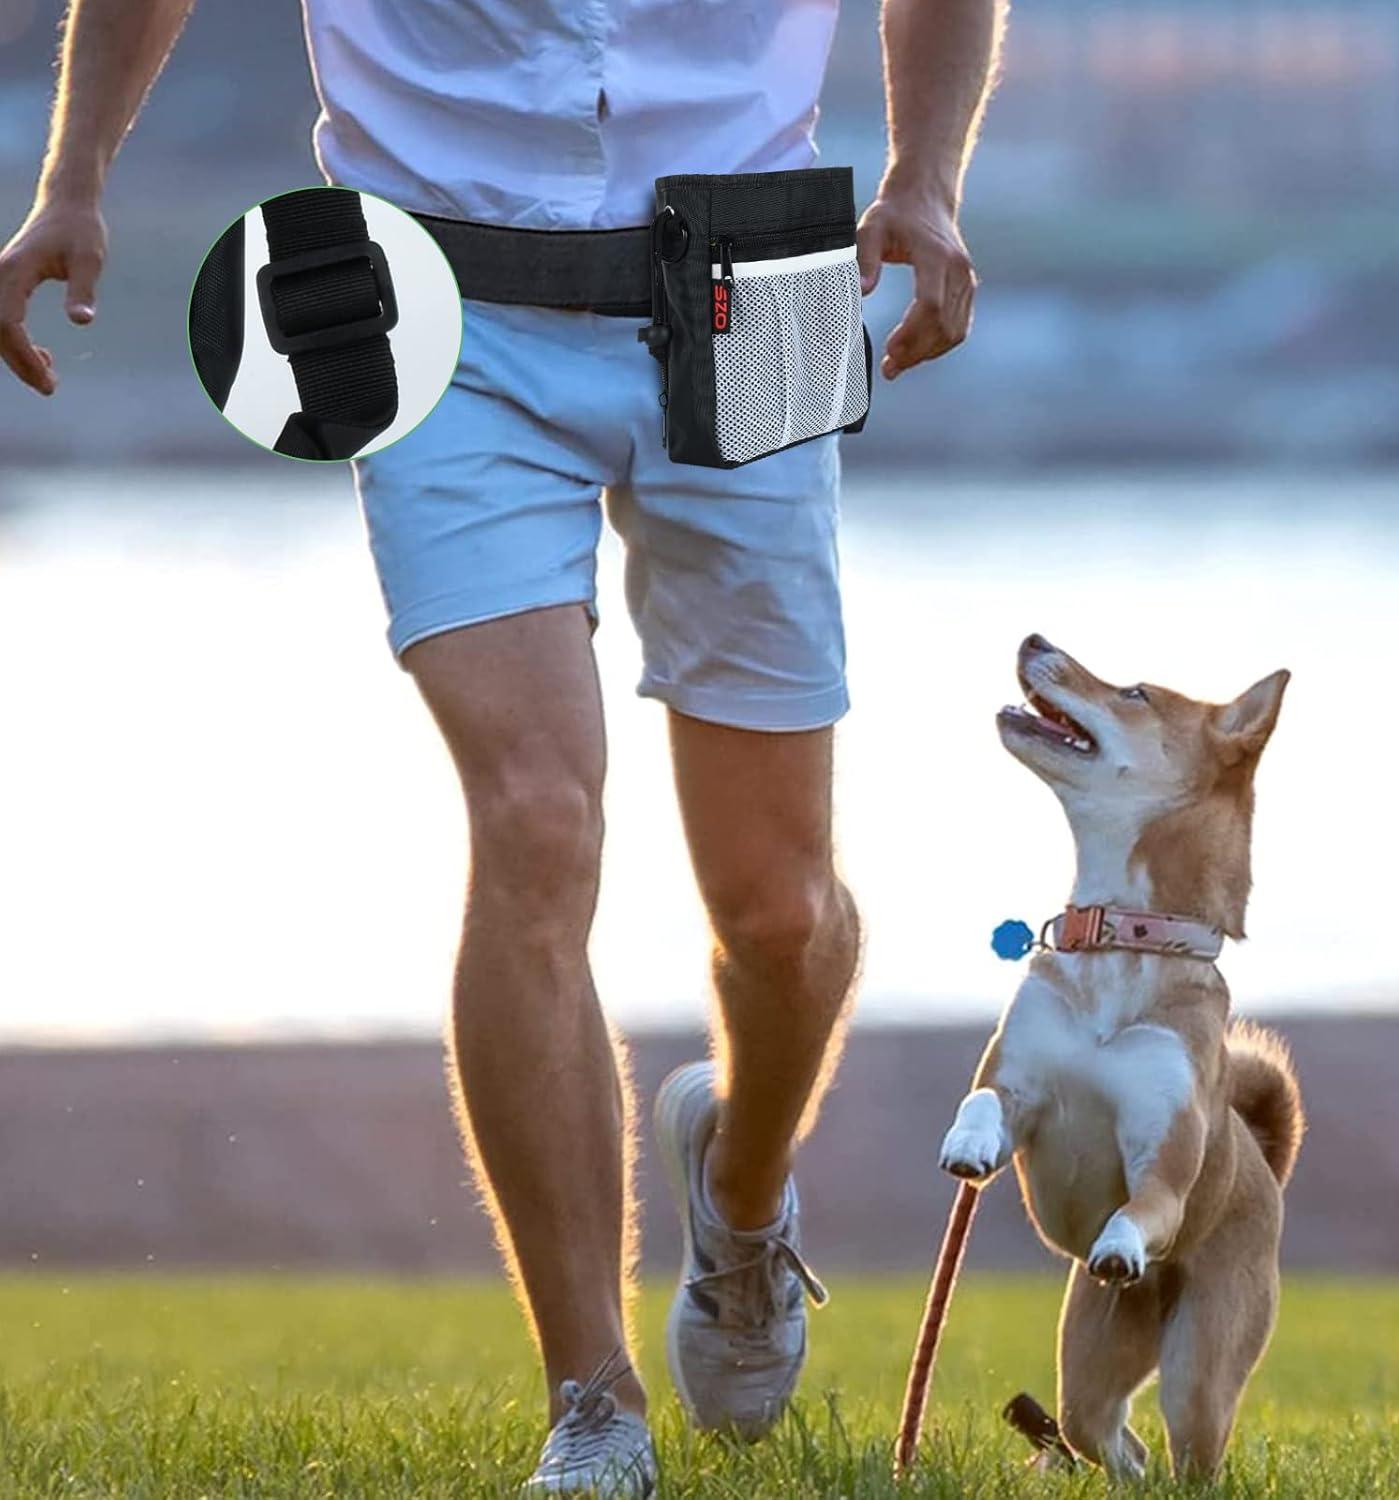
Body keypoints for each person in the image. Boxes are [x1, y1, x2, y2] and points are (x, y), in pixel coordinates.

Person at [0, 0, 1006, 1491]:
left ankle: (741, 1204)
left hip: (769, 284)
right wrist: (72, 173)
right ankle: (591, 1403)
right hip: (419, 295)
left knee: (784, 911)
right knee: (536, 822)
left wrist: (924, 177)